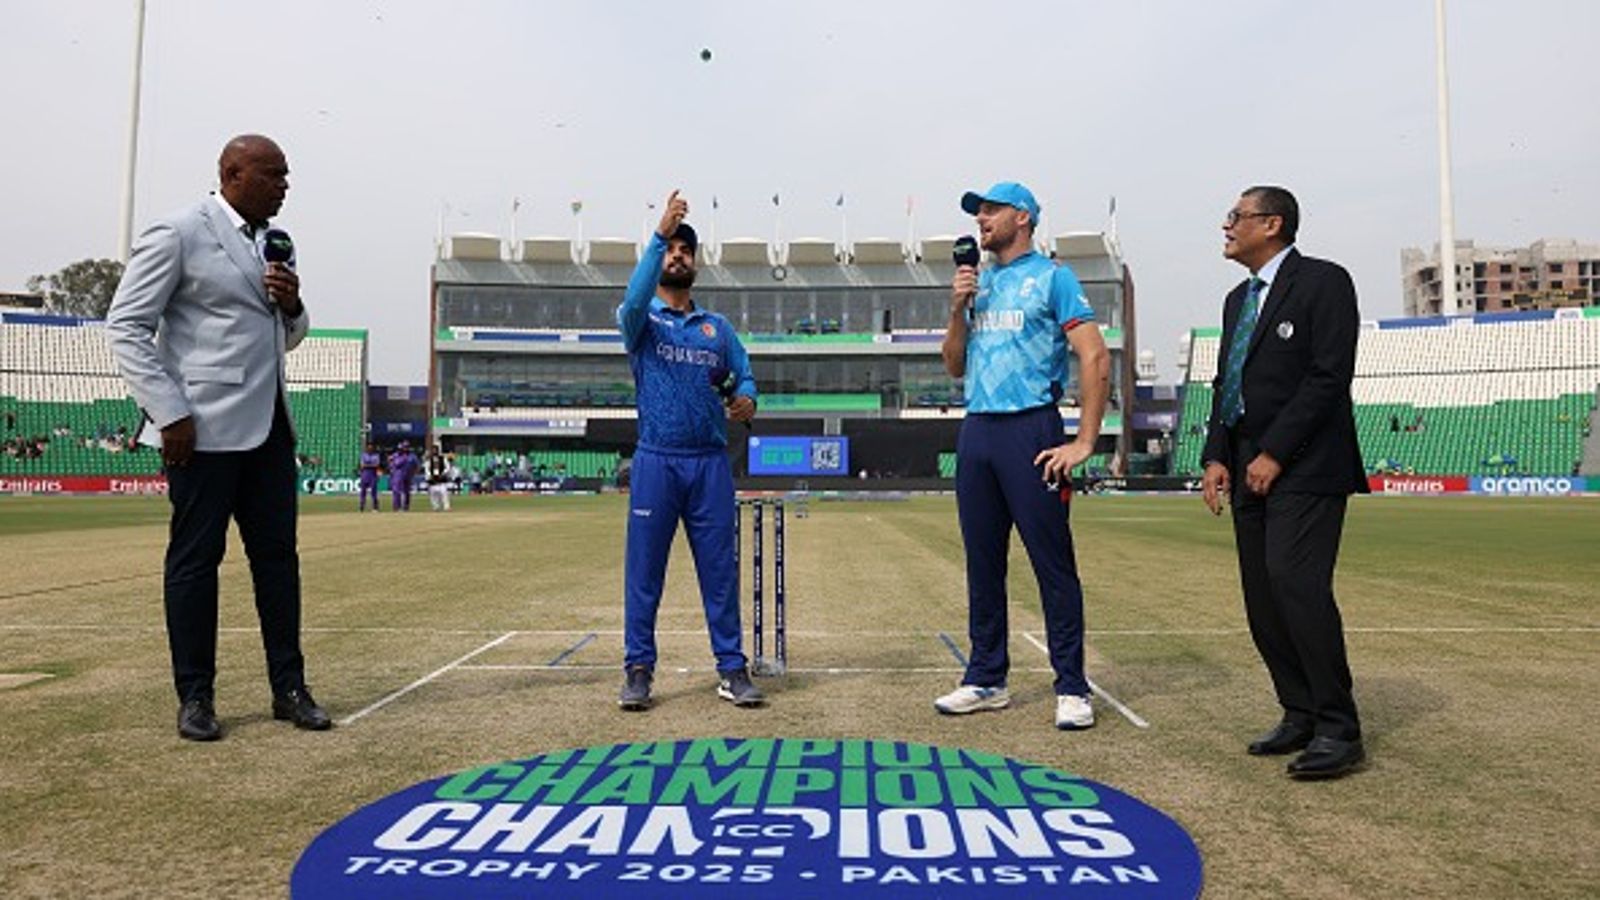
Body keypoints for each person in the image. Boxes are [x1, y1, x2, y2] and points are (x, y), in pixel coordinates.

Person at [104, 134, 330, 741]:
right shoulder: (179, 231)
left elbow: (286, 335)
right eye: (274, 173)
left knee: (278, 563)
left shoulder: (273, 244)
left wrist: (294, 301)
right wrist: (168, 411)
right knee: (196, 563)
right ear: (233, 173)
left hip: (269, 430)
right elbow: (126, 325)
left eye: (287, 174)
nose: (285, 184)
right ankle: (195, 697)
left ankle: (289, 688)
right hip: (198, 432)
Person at [1201, 186, 1369, 780]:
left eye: (1236, 216)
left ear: (1271, 224)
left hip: (1307, 466)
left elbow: (1328, 377)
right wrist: (1216, 455)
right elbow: (1228, 381)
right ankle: (1297, 712)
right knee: (1263, 600)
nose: (1226, 225)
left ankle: (1337, 728)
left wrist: (1275, 451)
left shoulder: (1324, 282)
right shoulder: (1236, 301)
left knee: (1296, 586)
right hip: (1246, 468)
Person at [934, 181, 1110, 731]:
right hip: (978, 430)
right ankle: (986, 678)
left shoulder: (1053, 278)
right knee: (982, 564)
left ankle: (1072, 686)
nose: (981, 219)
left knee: (1051, 563)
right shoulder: (978, 284)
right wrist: (958, 308)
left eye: (991, 210)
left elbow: (1094, 355)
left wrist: (1083, 441)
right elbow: (953, 366)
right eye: (977, 212)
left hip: (1031, 428)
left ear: (1024, 217)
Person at [615, 190, 763, 711]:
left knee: (720, 572)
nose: (678, 256)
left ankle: (731, 669)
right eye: (671, 250)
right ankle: (638, 670)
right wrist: (657, 235)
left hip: (709, 464)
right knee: (644, 573)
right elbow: (631, 302)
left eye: (685, 250)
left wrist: (746, 400)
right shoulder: (642, 323)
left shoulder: (716, 329)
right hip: (656, 458)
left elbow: (745, 377)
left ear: (696, 264)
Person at [388, 441, 416, 511]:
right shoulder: (395, 455)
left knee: (407, 492)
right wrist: (392, 471)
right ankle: (396, 507)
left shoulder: (412, 456)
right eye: (404, 447)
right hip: (398, 475)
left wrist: (413, 473)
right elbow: (393, 464)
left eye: (407, 447)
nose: (405, 448)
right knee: (396, 491)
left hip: (408, 475)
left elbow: (416, 465)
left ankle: (406, 507)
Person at [425, 445, 452, 512]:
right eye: (433, 450)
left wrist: (443, 473)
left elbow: (447, 467)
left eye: (435, 450)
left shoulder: (443, 458)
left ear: (438, 450)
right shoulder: (429, 459)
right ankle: (436, 507)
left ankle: (447, 507)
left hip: (441, 478)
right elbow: (427, 468)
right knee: (433, 494)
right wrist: (429, 475)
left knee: (444, 493)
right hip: (432, 479)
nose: (434, 451)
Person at [358, 441, 382, 511]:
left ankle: (375, 507)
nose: (370, 447)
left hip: (373, 475)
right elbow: (362, 465)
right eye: (369, 446)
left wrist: (367, 465)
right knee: (363, 491)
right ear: (367, 447)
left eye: (371, 446)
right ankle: (362, 506)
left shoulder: (376, 455)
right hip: (365, 474)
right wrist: (371, 465)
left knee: (374, 491)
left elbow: (377, 465)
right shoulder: (363, 455)